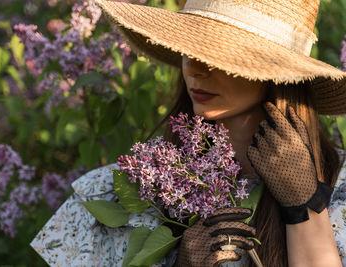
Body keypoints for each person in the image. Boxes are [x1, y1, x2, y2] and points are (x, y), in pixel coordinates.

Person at [30, 0, 346, 266]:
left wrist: (305, 209)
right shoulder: (120, 192)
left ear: (277, 74)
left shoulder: (340, 190)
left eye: (219, 53)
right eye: (188, 47)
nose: (194, 68)